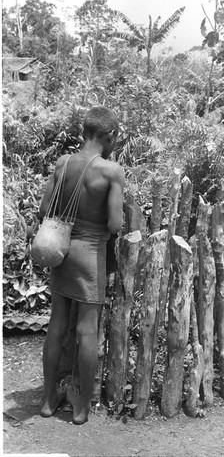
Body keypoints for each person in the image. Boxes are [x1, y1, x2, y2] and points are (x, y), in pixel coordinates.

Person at [39, 106, 125, 425]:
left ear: (84, 132)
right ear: (110, 136)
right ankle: (81, 409)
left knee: (57, 324)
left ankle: (48, 401)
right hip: (91, 255)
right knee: (87, 330)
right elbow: (115, 224)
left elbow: (46, 208)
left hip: (61, 249)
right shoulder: (111, 171)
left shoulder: (63, 163)